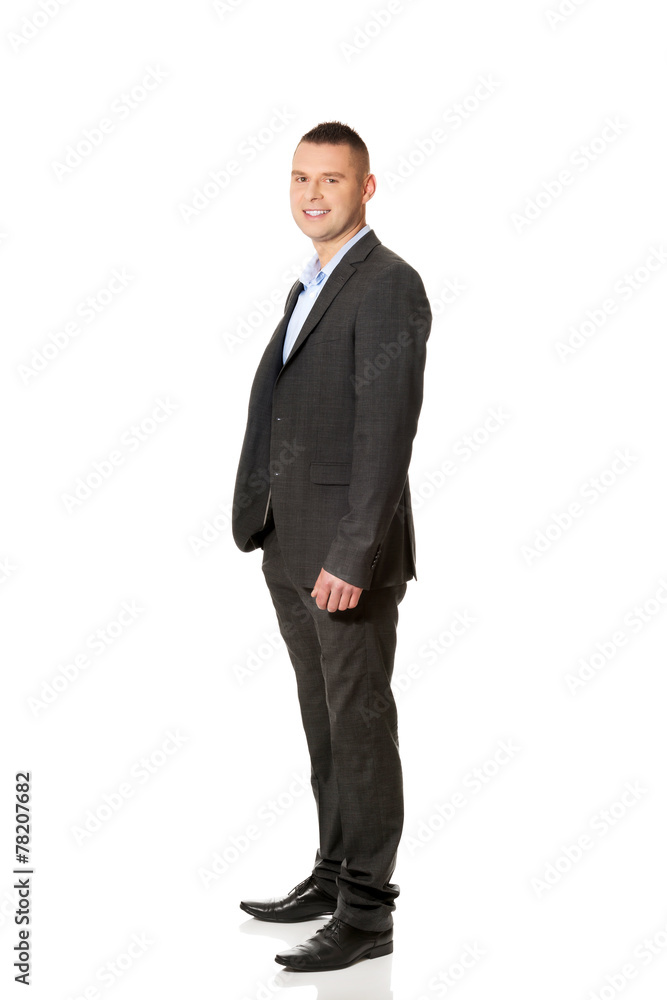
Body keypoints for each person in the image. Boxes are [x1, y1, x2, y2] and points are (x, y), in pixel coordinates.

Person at [232, 120, 432, 972]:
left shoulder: (387, 284)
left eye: (332, 179)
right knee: (323, 723)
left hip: (345, 557)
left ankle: (367, 912)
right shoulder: (309, 285)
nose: (313, 193)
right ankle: (332, 873)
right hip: (288, 543)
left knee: (359, 726)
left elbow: (387, 434)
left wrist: (352, 555)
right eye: (300, 178)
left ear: (366, 187)